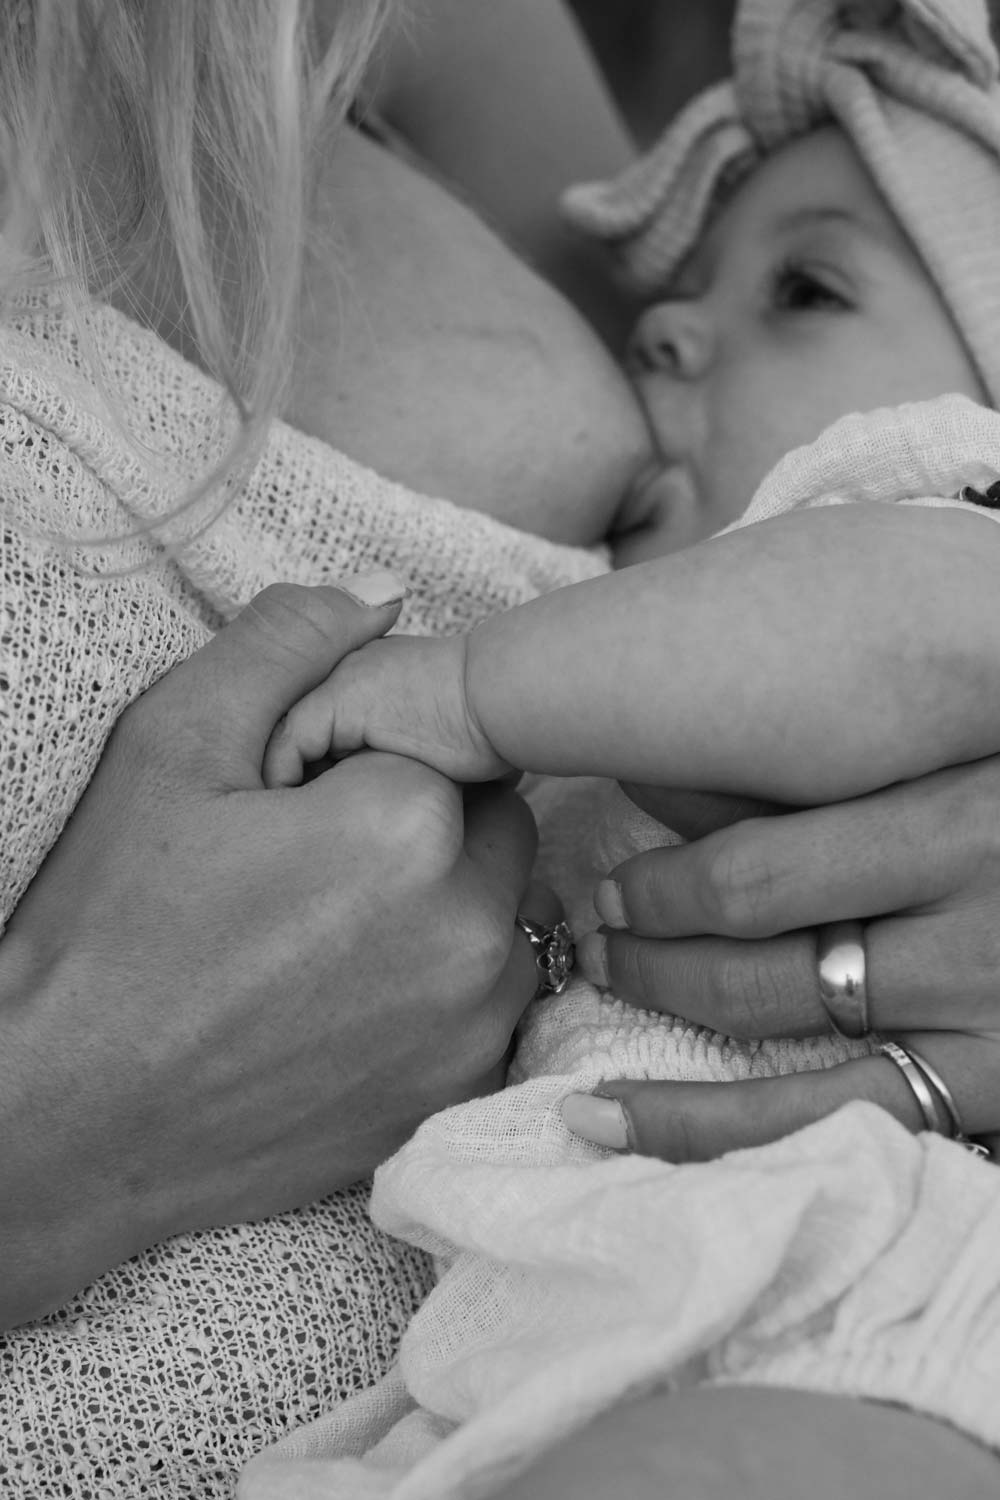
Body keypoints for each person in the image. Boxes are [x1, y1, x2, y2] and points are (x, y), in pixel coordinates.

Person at [1, 1, 999, 1498]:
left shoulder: (941, 507)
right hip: (529, 1342)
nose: (658, 316)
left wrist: (467, 690)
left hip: (849, 1277)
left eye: (802, 288)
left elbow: (882, 629)